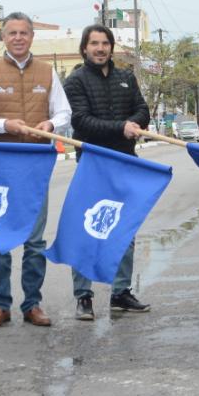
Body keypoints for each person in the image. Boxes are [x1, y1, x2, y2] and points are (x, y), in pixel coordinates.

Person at [0, 12, 70, 329]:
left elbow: (64, 112)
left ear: (32, 37)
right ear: (3, 38)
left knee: (35, 241)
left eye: (24, 32)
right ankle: (0, 305)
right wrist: (3, 125)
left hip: (35, 166)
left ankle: (32, 304)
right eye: (12, 33)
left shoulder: (48, 72)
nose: (18, 38)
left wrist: (51, 123)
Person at [62, 23, 152, 320]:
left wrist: (134, 123)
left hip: (125, 161)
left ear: (111, 47)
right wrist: (121, 128)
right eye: (94, 43)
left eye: (105, 43)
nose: (100, 48)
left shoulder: (126, 77)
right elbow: (81, 122)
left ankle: (120, 292)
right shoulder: (75, 81)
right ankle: (83, 296)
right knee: (88, 230)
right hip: (93, 165)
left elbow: (142, 110)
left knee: (126, 230)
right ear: (85, 48)